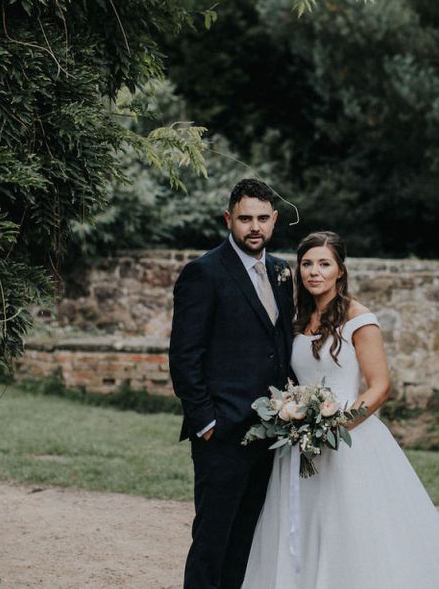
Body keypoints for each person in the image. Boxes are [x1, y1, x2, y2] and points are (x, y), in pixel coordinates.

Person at [243, 231, 439, 588]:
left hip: (348, 439)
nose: (315, 272)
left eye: (324, 264)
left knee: (353, 528)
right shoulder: (297, 318)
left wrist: (335, 427)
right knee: (303, 523)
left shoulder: (359, 318)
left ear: (340, 271)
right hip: (299, 442)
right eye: (307, 264)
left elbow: (380, 386)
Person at [169, 178, 295, 589]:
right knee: (212, 541)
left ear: (274, 220)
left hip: (270, 432)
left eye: (262, 218)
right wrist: (206, 421)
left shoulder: (281, 272)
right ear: (229, 219)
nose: (254, 227)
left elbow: (279, 345)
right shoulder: (203, 273)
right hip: (222, 434)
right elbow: (185, 357)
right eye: (245, 219)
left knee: (246, 540)